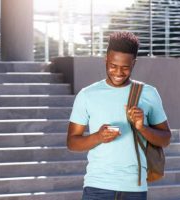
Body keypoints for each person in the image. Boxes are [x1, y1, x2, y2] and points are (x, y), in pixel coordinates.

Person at [67, 31, 171, 200]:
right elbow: (72, 142)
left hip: (134, 189)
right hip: (97, 187)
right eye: (113, 65)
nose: (118, 72)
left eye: (125, 67)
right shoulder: (87, 95)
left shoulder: (149, 93)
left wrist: (142, 127)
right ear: (106, 59)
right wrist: (98, 137)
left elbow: (165, 139)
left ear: (134, 64)